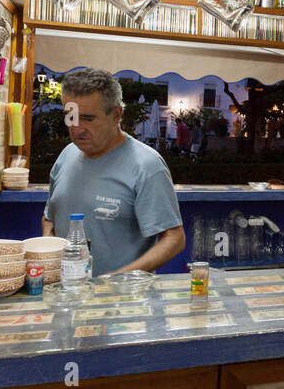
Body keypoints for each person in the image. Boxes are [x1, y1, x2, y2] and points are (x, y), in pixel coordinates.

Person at [43, 68, 185, 276]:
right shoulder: (66, 155)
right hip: (67, 294)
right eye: (70, 116)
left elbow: (174, 239)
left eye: (88, 119)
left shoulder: (146, 165)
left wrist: (114, 280)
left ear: (116, 115)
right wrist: (48, 244)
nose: (76, 128)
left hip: (124, 301)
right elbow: (50, 217)